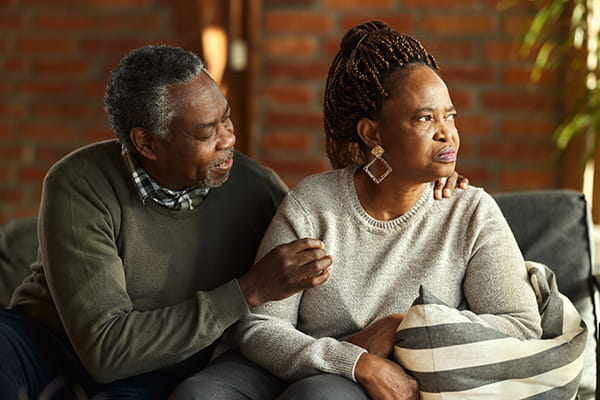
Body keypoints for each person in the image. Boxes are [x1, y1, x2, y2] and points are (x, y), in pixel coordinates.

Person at [0, 44, 466, 399]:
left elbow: (326, 279)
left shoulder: (256, 187)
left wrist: (433, 183)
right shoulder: (80, 184)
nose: (230, 139)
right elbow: (105, 350)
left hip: (165, 367)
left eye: (227, 119)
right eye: (207, 132)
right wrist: (249, 290)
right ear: (146, 142)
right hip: (47, 341)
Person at [169, 21, 542, 400]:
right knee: (199, 394)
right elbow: (261, 327)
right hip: (298, 359)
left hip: (373, 380)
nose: (447, 133)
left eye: (450, 115)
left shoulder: (470, 212)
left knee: (321, 397)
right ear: (372, 134)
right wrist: (353, 360)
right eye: (425, 118)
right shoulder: (314, 204)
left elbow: (522, 327)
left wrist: (406, 326)